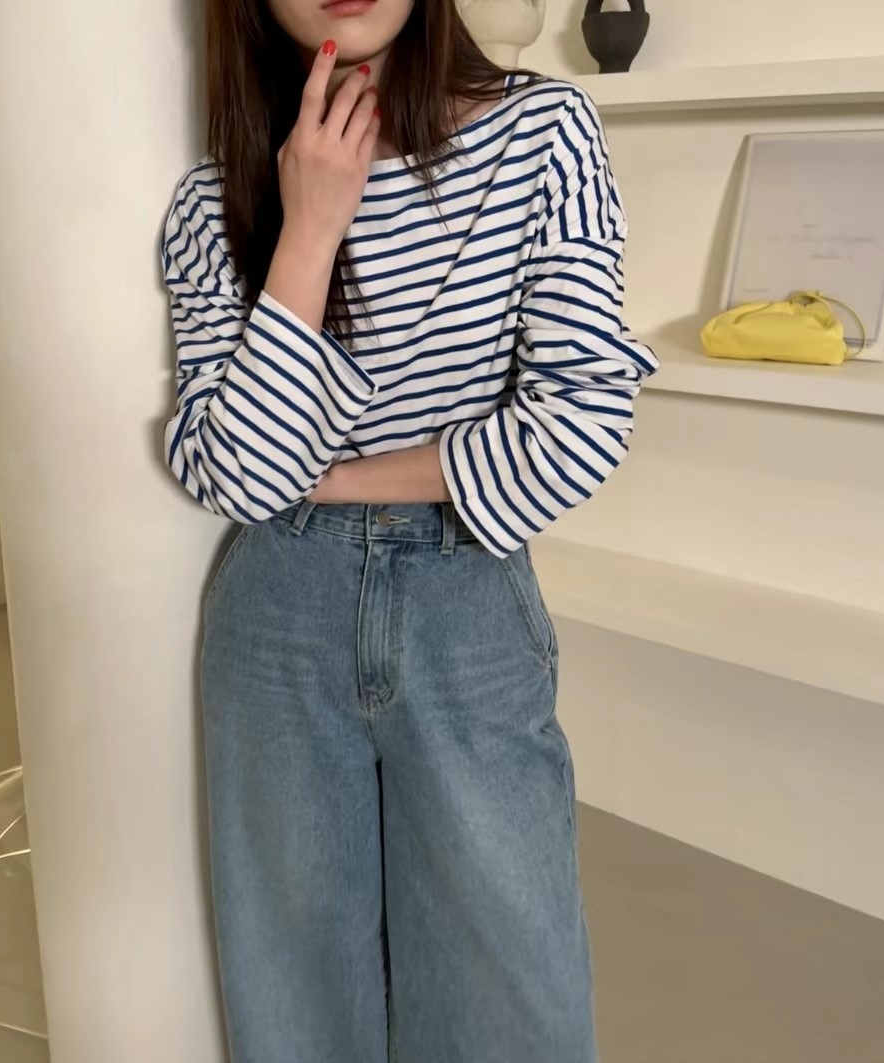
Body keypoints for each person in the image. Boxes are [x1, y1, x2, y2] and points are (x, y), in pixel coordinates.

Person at [160, 1, 658, 1059]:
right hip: (277, 611)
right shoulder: (215, 199)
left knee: (511, 999)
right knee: (296, 1003)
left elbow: (579, 423)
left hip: (464, 595)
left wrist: (331, 477)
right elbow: (236, 475)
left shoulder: (541, 134)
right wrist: (309, 230)